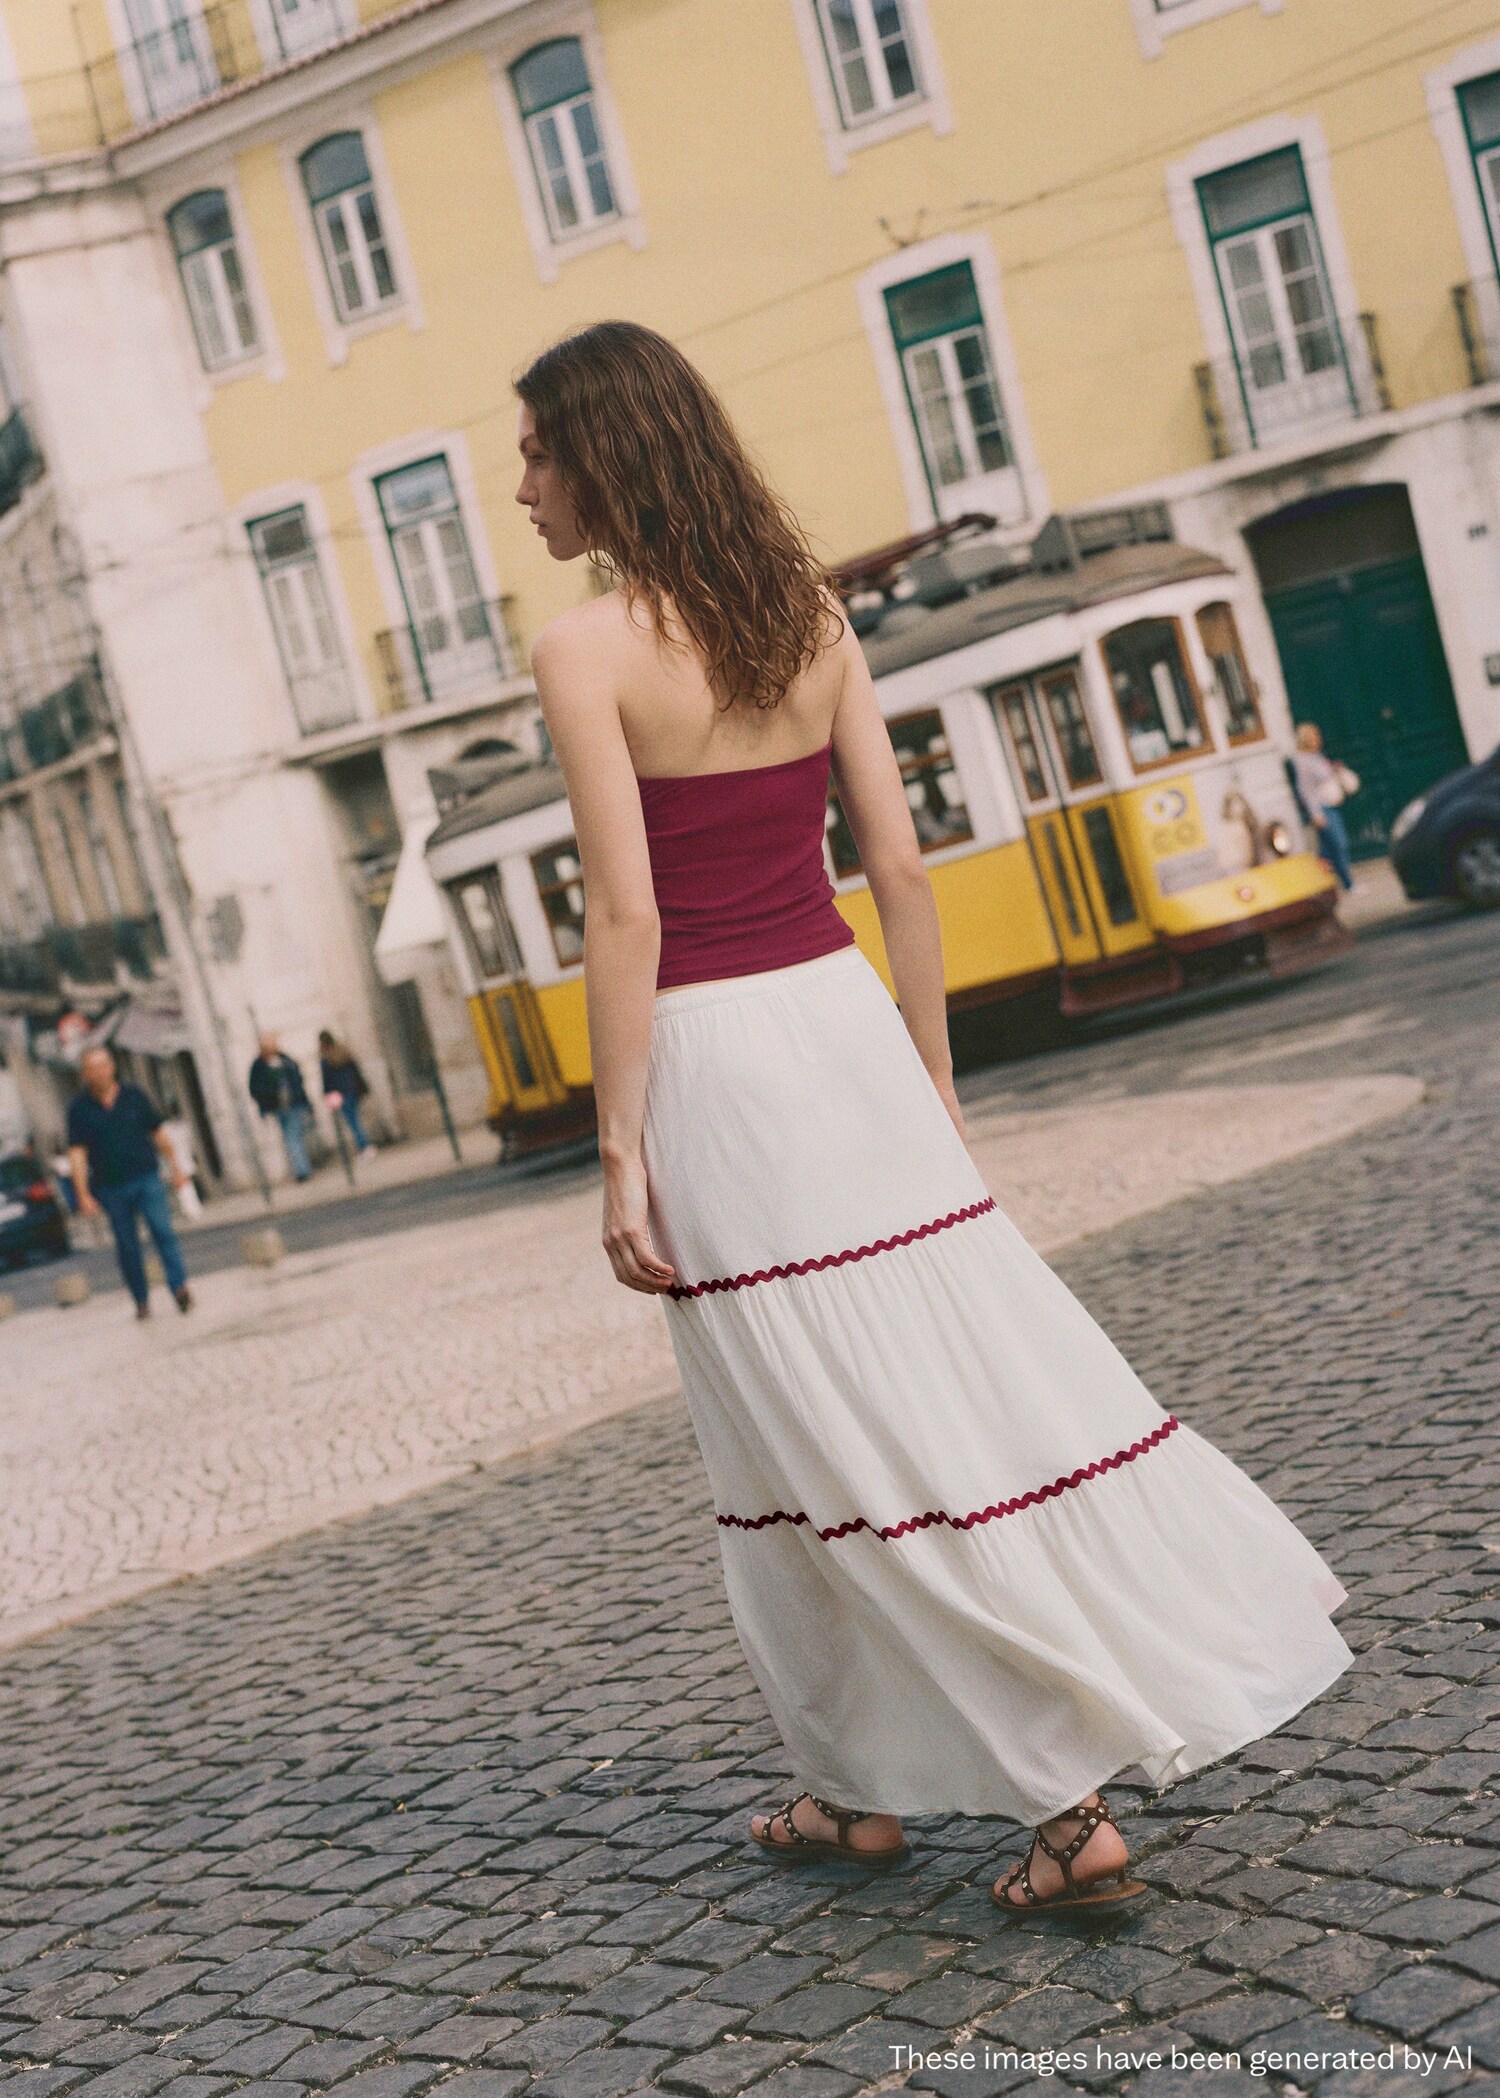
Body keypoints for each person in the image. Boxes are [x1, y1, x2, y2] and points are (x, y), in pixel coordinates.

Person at [516, 320, 1353, 1915]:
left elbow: (625, 921)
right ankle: (852, 1786)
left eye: (541, 454)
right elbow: (897, 871)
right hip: (847, 1037)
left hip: (719, 1058)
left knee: (825, 1425)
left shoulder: (587, 650)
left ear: (607, 457)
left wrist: (618, 1141)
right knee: (842, 1418)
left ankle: (1063, 1804)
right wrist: (934, 1075)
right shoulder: (809, 616)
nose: (524, 488)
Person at [67, 1045, 193, 1320]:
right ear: (85, 1074)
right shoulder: (79, 1110)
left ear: (112, 1067)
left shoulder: (134, 1095)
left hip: (147, 1177)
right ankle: (141, 1299)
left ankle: (179, 1286)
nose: (99, 1072)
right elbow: (77, 1153)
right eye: (93, 1068)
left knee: (163, 1231)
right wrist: (83, 1193)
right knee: (127, 1246)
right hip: (111, 1188)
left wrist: (176, 1169)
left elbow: (158, 1133)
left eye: (103, 1066)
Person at [1290, 722, 1357, 891]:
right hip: (1322, 808)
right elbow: (1306, 790)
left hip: (1330, 805)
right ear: (1306, 740)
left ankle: (1323, 881)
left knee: (1329, 848)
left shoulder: (1317, 757)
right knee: (1338, 845)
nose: (1318, 739)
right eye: (1314, 737)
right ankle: (1347, 884)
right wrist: (1315, 813)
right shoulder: (1304, 761)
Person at [248, 1033, 314, 1182]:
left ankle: (301, 1170)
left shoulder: (283, 1060)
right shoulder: (263, 1065)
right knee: (293, 1137)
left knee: (292, 1137)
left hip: (292, 1104)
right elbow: (255, 1088)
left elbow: (298, 1082)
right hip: (280, 1106)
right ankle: (302, 1170)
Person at [318, 1030, 375, 1157]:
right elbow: (356, 1071)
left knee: (353, 1122)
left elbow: (327, 1080)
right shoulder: (343, 1052)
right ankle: (366, 1146)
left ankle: (364, 1147)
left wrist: (327, 1094)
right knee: (356, 1120)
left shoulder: (326, 1059)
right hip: (352, 1090)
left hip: (340, 1094)